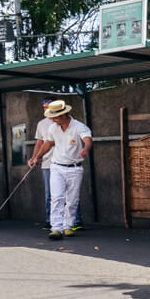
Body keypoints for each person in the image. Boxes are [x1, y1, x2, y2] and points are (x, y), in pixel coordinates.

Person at [27, 100, 92, 240]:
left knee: (72, 199)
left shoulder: (79, 126)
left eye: (56, 117)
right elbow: (47, 144)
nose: (53, 119)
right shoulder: (53, 128)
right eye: (52, 117)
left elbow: (87, 139)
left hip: (75, 168)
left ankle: (68, 226)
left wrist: (85, 149)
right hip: (56, 166)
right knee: (56, 197)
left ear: (64, 114)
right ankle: (56, 228)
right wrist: (37, 157)